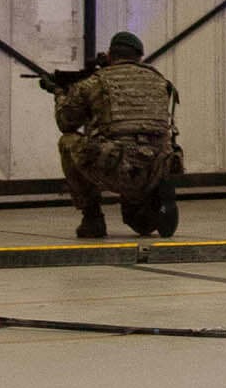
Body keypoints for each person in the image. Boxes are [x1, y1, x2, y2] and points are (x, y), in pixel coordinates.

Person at [53, 31, 181, 240]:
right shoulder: (160, 81)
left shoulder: (94, 82)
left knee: (68, 142)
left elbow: (66, 122)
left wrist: (60, 95)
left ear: (110, 55)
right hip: (155, 169)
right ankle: (141, 202)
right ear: (139, 57)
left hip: (115, 168)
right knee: (147, 142)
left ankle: (92, 217)